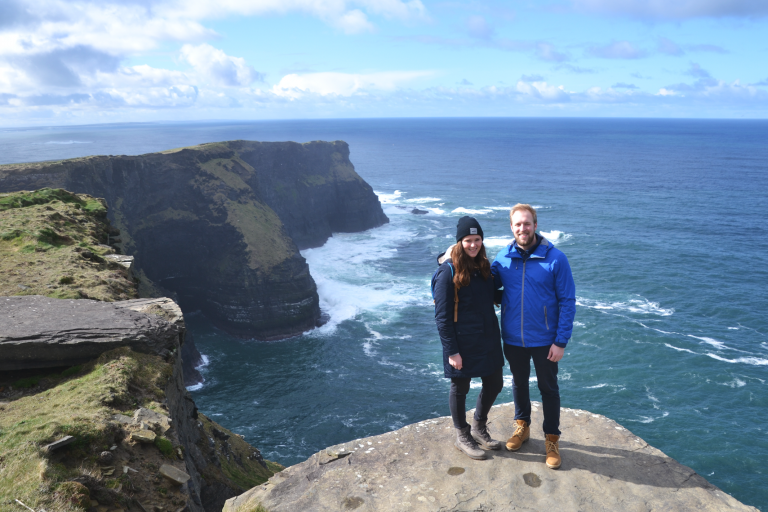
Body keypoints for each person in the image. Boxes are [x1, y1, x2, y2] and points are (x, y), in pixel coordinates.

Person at [491, 204, 575, 469]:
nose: (522, 228)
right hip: (513, 338)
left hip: (545, 340)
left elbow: (568, 301)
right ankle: (522, 427)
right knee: (518, 383)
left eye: (527, 223)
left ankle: (551, 440)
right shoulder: (502, 258)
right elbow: (483, 284)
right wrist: (445, 262)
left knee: (548, 389)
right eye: (517, 224)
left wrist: (560, 341)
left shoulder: (556, 259)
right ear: (511, 227)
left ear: (535, 225)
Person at [432, 216, 505, 460]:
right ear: (459, 242)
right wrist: (452, 352)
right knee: (460, 387)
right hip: (462, 342)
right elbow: (442, 317)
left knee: (495, 382)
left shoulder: (483, 265)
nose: (473, 245)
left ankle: (478, 426)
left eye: (477, 240)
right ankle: (462, 434)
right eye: (468, 240)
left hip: (487, 337)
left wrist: (529, 291)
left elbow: (494, 296)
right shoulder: (447, 272)